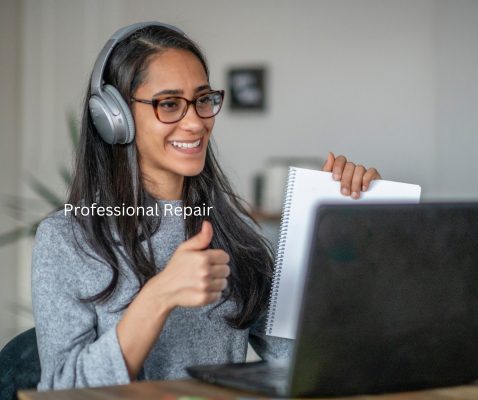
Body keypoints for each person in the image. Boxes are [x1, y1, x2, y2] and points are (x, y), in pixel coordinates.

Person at [31, 22, 381, 390]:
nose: (196, 122)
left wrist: (348, 229)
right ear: (113, 118)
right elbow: (60, 392)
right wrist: (159, 296)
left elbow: (305, 365)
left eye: (202, 100)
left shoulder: (235, 233)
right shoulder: (67, 238)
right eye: (168, 104)